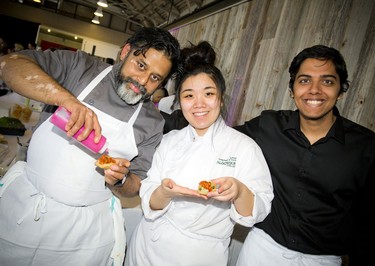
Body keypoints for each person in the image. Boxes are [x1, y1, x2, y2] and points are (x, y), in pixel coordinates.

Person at [0, 27, 180, 266]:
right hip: (23, 209)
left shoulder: (152, 122)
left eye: (155, 78)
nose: (142, 82)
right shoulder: (79, 67)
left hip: (83, 233)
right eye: (141, 65)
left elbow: (135, 185)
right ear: (125, 52)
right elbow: (10, 63)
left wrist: (121, 180)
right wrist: (66, 100)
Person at [125, 41, 274, 265]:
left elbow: (259, 209)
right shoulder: (168, 141)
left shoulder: (244, 147)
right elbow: (149, 199)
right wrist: (166, 192)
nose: (199, 104)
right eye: (188, 96)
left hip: (200, 254)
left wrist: (239, 191)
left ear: (221, 99)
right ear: (179, 103)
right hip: (147, 247)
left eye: (208, 93)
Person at [235, 45, 375, 265]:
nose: (314, 89)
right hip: (262, 248)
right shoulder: (268, 125)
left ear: (340, 91)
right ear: (292, 89)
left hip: (322, 259)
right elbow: (221, 137)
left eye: (327, 81)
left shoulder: (366, 147)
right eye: (304, 80)